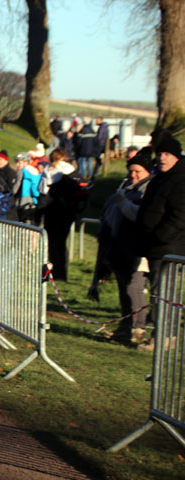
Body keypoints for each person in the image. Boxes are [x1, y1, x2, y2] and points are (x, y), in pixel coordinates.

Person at [89, 149, 153, 345]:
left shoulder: (149, 190)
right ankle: (125, 327)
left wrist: (122, 203)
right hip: (119, 246)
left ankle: (138, 327)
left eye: (138, 172)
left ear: (147, 172)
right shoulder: (128, 187)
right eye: (131, 171)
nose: (133, 175)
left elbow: (140, 216)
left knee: (134, 288)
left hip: (139, 249)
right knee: (124, 289)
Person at [136, 136, 185, 351]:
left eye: (166, 154)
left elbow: (180, 215)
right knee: (159, 292)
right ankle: (163, 335)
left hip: (169, 248)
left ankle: (165, 337)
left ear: (176, 156)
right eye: (159, 154)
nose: (161, 158)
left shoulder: (180, 180)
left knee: (164, 294)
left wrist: (160, 236)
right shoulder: (160, 177)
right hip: (155, 246)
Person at [40, 148, 77, 280]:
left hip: (53, 208)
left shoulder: (49, 169)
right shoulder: (70, 169)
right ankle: (64, 272)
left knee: (53, 242)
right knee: (62, 242)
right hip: (68, 209)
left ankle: (55, 271)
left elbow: (43, 189)